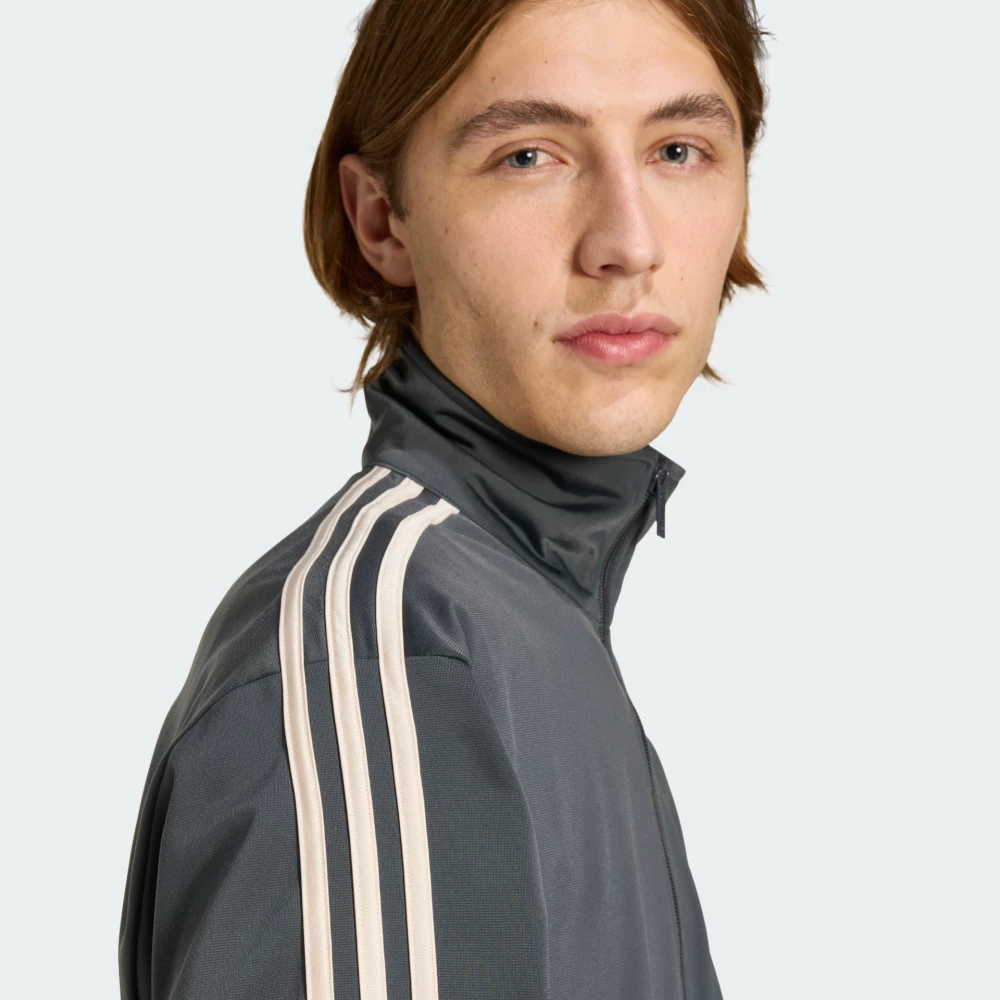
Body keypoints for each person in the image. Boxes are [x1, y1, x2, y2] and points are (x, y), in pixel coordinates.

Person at [118, 0, 769, 997]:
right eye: (528, 156)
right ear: (381, 219)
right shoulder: (390, 648)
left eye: (678, 151)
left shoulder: (522, 623)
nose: (628, 243)